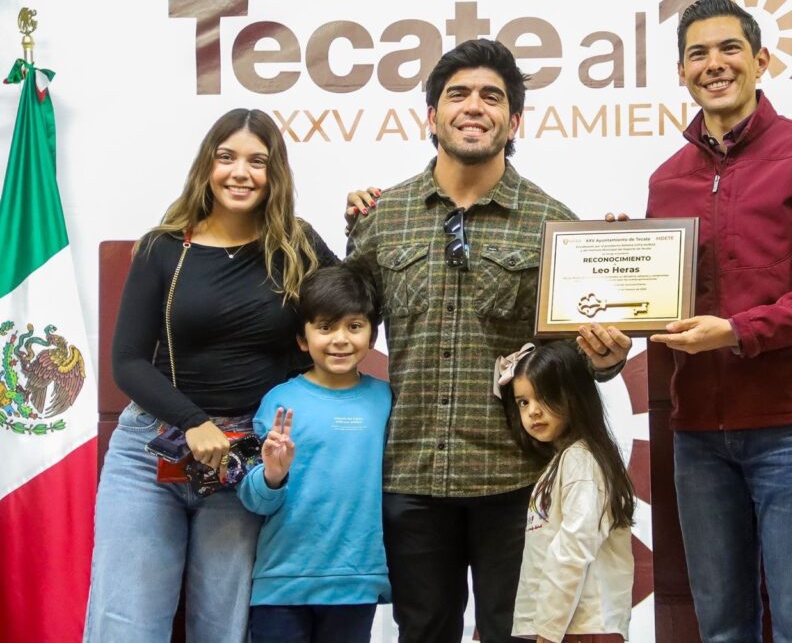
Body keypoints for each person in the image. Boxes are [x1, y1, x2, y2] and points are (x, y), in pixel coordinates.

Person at [345, 38, 632, 642]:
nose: (474, 106)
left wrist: (605, 358)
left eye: (492, 97)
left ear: (514, 121)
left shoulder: (554, 221)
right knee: (422, 633)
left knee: (516, 634)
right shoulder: (383, 216)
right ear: (432, 116)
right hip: (412, 475)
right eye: (458, 95)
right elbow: (341, 327)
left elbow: (573, 356)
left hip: (518, 478)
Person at [645, 0, 792, 642]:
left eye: (730, 49)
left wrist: (738, 331)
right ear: (682, 72)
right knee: (722, 631)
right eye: (698, 54)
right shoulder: (667, 179)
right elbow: (663, 297)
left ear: (761, 60)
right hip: (699, 433)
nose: (714, 64)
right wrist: (619, 267)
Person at [85, 108, 338, 643]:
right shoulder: (163, 247)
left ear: (275, 173)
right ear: (207, 165)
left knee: (224, 629)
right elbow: (126, 361)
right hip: (152, 450)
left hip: (243, 463)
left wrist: (364, 225)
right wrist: (194, 422)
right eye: (227, 157)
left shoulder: (297, 246)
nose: (240, 172)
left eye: (257, 161)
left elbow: (350, 314)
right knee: (125, 626)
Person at [239, 262, 391, 643]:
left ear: (372, 335)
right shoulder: (279, 400)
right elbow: (254, 500)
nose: (340, 339)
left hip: (354, 583)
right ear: (302, 339)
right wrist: (273, 475)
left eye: (354, 326)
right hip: (282, 582)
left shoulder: (385, 399)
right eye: (325, 327)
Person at [495, 342, 634, 643]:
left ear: (575, 395)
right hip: (562, 626)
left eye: (546, 397)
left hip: (582, 627)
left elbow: (573, 549)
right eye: (523, 402)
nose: (533, 411)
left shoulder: (582, 461)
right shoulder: (563, 461)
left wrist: (548, 630)